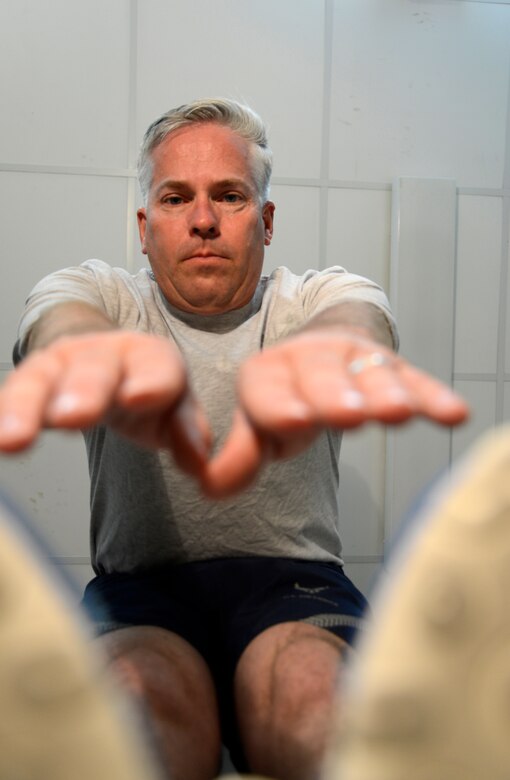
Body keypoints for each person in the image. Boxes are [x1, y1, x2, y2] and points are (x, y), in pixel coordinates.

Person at [0, 98, 468, 780]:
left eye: (229, 195)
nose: (202, 220)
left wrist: (335, 349)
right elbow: (57, 317)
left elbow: (357, 317)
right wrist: (83, 351)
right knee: (134, 713)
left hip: (298, 585)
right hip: (139, 591)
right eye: (175, 197)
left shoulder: (309, 300)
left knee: (317, 696)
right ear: (144, 226)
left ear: (268, 220)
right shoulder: (107, 298)